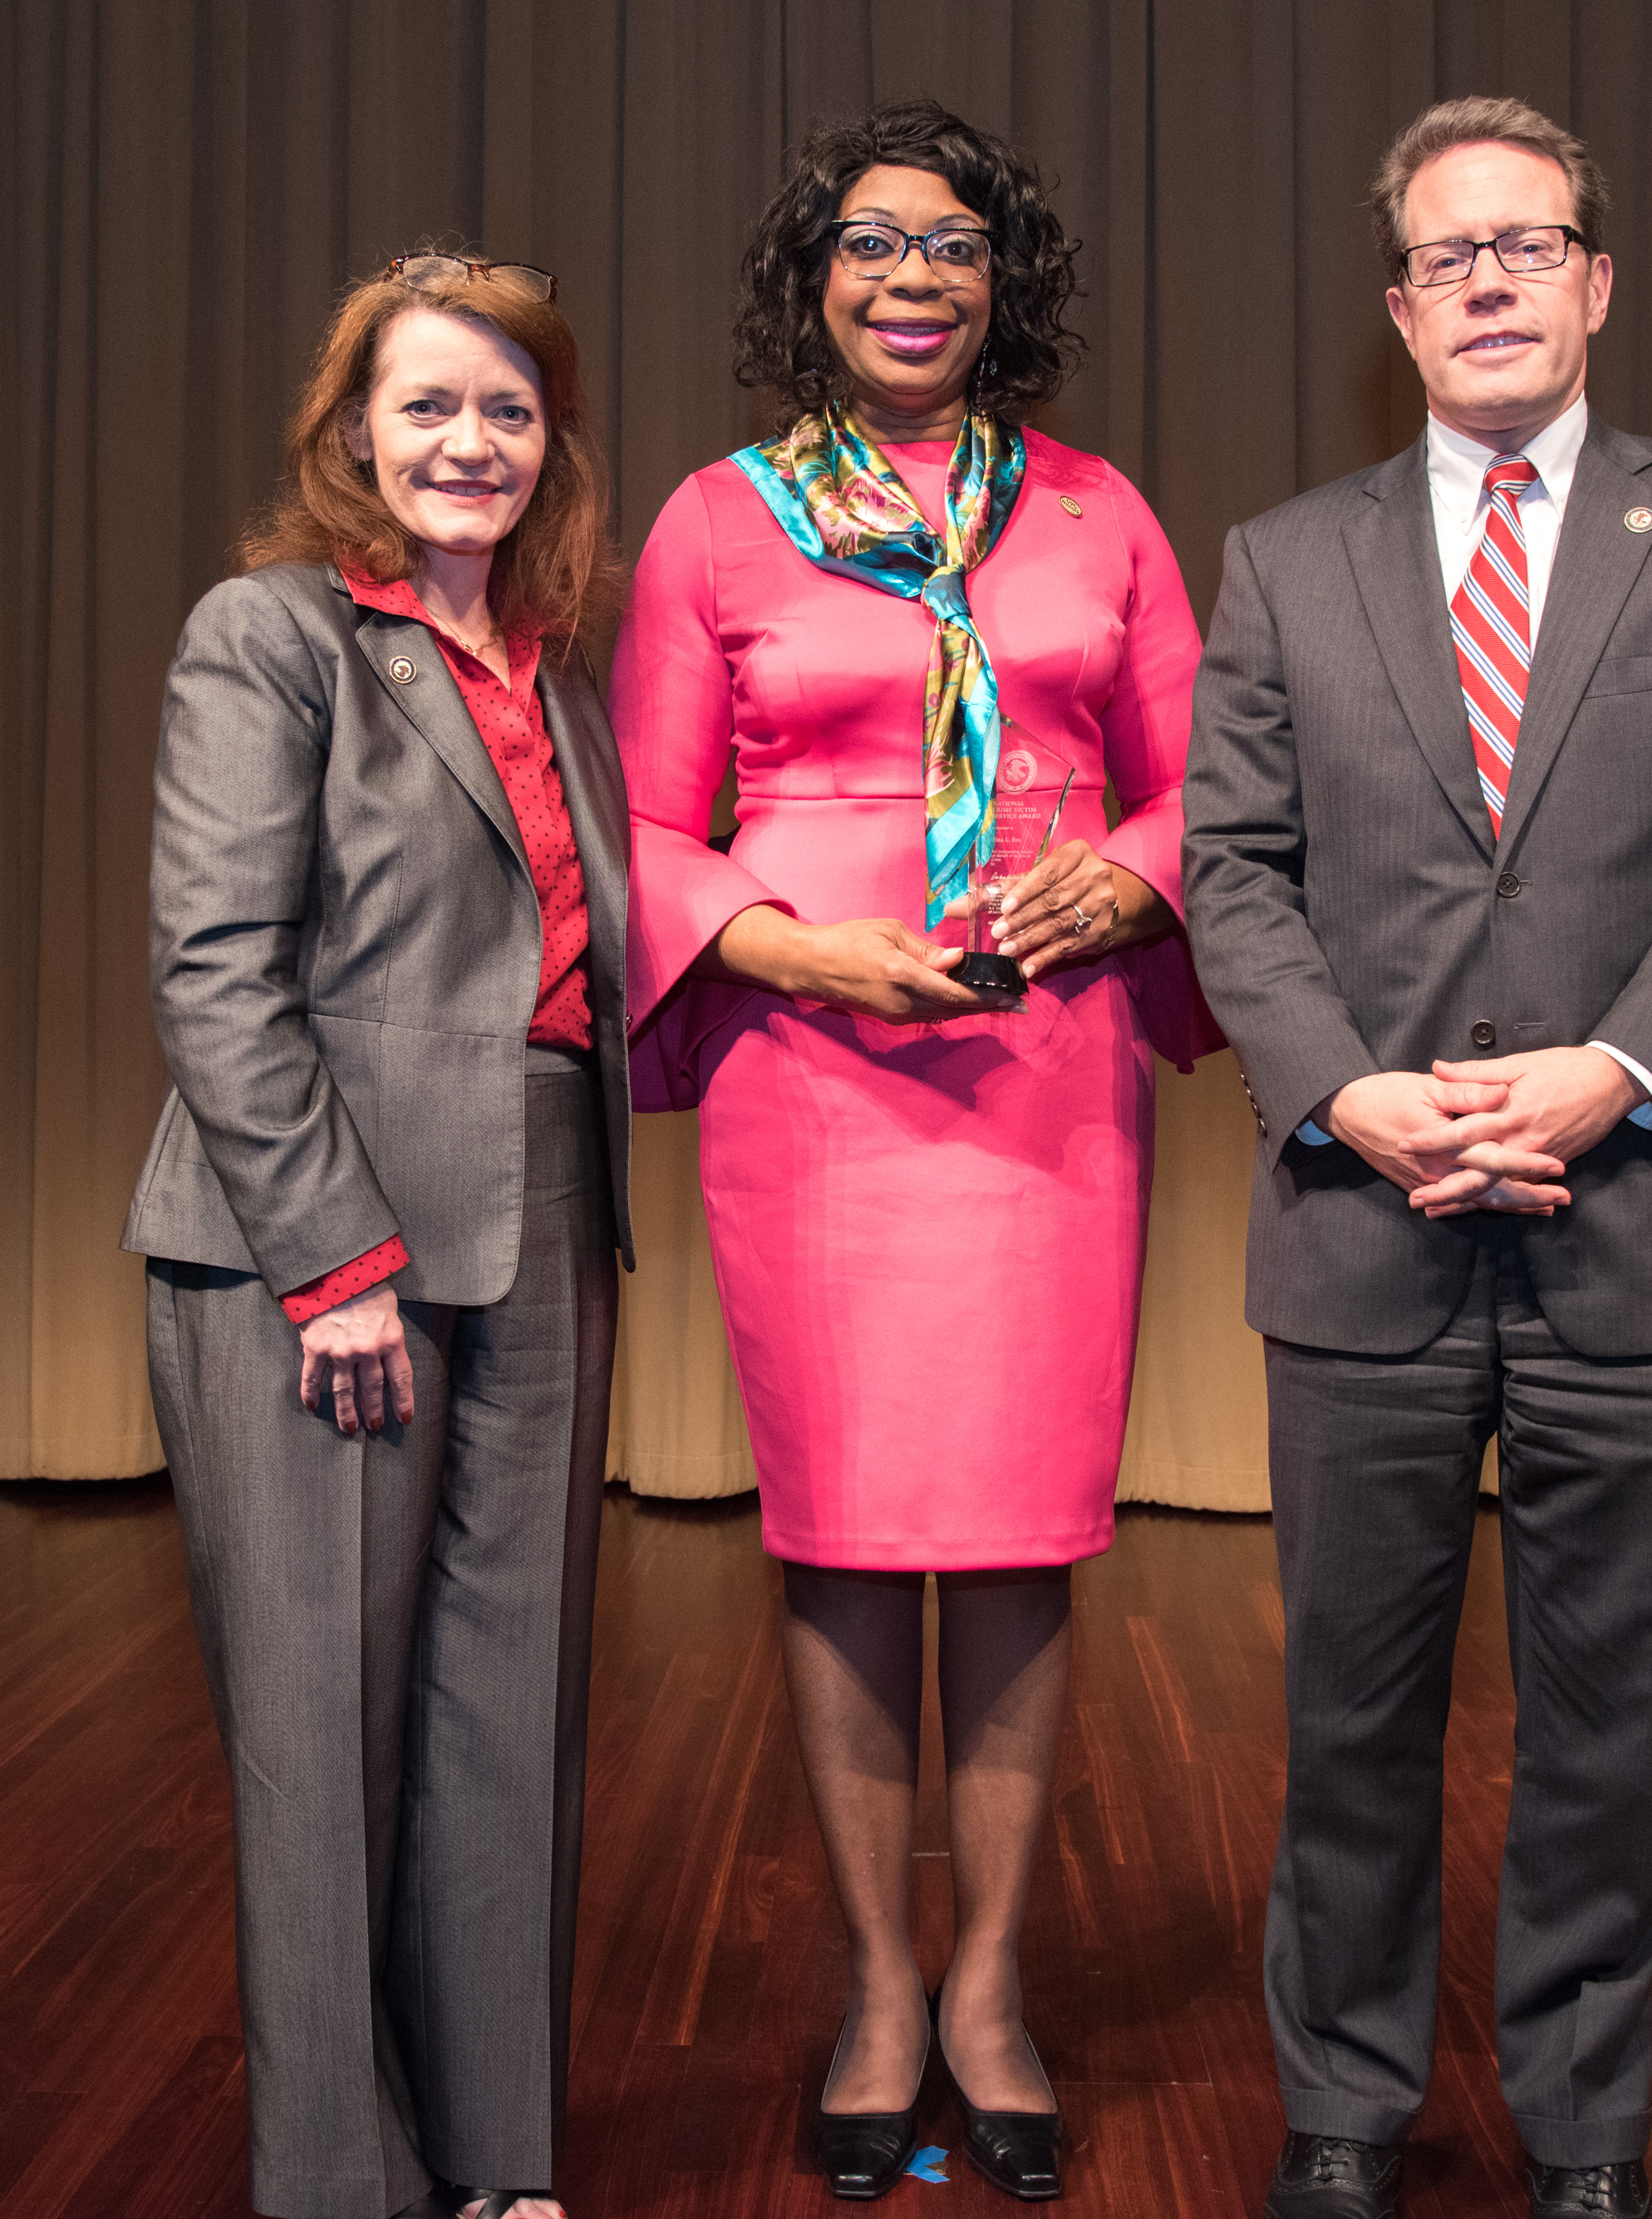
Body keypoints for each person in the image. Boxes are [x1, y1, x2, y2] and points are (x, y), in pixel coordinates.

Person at [1182, 96, 1652, 2219]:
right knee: (1350, 1727)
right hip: (1362, 1216)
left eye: (1524, 244)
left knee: (1611, 1724)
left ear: (1592, 283)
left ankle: (1585, 2134)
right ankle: (1343, 2116)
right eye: (1444, 255)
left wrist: (1615, 1070)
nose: (1484, 279)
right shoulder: (1285, 557)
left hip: (1640, 1217)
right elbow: (1229, 865)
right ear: (1396, 307)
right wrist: (1341, 1090)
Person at [614, 97, 1212, 2207]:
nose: (910, 279)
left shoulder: (1095, 512)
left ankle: (990, 1990)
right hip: (816, 1078)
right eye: (872, 245)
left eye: (953, 247)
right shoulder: (714, 521)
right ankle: (880, 1983)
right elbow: (646, 842)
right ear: (816, 277)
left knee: (1022, 1539)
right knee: (849, 1542)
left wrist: (1132, 891)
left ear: (1001, 283)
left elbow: (1197, 789)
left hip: (1046, 1081)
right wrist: (797, 950)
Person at [123, 252, 633, 2219]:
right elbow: (216, 973)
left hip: (546, 1218)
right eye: (427, 405)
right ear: (351, 432)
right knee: (321, 1751)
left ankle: (499, 2168)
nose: (469, 443)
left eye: (508, 409)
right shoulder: (268, 637)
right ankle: (335, 2185)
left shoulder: (549, 665)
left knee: (506, 1729)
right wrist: (328, 1262)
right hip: (311, 1250)